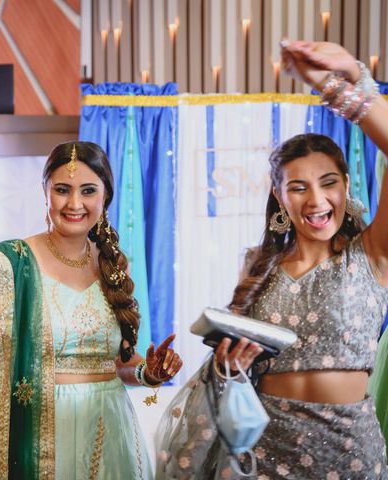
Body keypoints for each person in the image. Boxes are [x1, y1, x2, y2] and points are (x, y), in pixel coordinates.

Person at [159, 40, 388, 479]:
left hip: (351, 455)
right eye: (298, 187)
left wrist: (345, 82)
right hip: (264, 456)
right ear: (279, 197)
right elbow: (234, 378)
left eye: (328, 183)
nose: (317, 200)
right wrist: (230, 369)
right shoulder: (258, 267)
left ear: (346, 185)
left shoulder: (372, 254)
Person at [0, 141, 183, 479]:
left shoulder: (113, 266)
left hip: (109, 429)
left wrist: (147, 373)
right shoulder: (9, 264)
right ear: (45, 193)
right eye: (62, 190)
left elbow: (115, 363)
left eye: (88, 191)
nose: (75, 203)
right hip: (34, 435)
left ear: (105, 197)